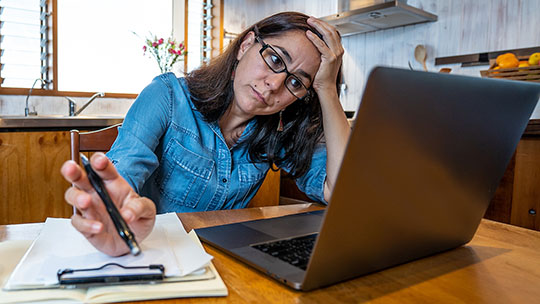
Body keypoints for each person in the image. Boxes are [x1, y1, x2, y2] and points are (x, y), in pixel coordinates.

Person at [61, 11, 351, 256]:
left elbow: (340, 192)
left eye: (296, 83)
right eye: (275, 60)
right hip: (154, 251)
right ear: (246, 45)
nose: (274, 85)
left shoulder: (278, 131)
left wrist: (326, 89)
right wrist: (111, 213)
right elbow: (123, 171)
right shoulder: (167, 96)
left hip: (225, 260)